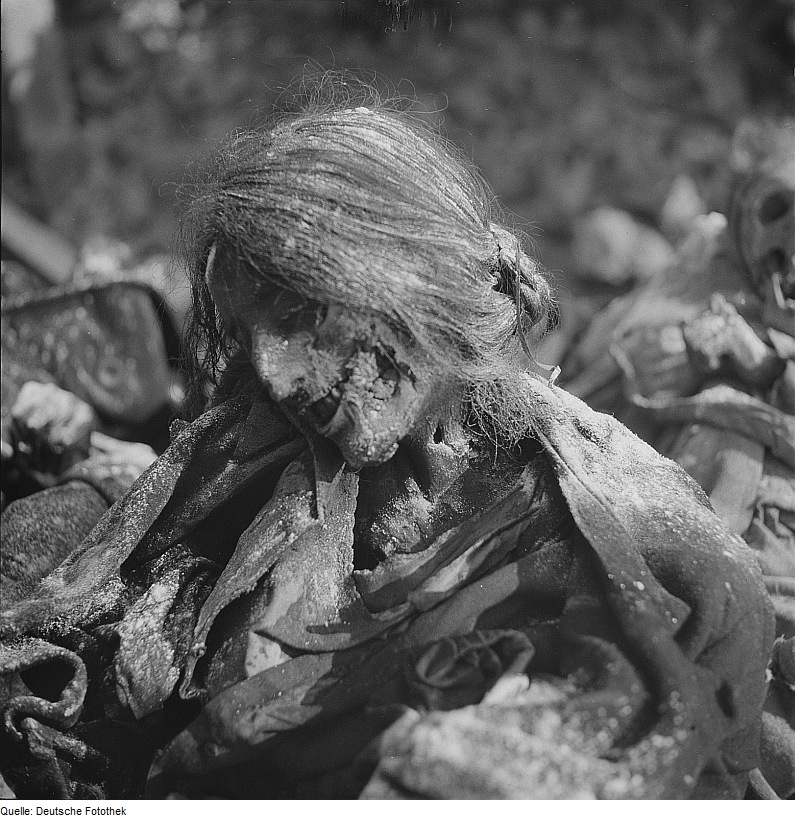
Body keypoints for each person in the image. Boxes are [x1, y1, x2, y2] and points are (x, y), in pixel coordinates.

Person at [0, 90, 773, 799]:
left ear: (415, 285)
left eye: (303, 318)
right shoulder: (279, 432)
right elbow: (120, 575)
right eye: (248, 336)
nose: (277, 374)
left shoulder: (632, 540)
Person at [561, 117, 794, 798]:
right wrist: (677, 352)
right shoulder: (698, 273)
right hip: (665, 513)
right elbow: (601, 377)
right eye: (779, 210)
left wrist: (763, 362)